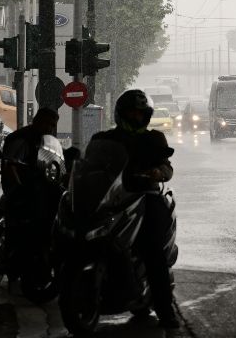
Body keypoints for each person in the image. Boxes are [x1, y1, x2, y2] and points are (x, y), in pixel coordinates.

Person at [89, 89, 179, 328]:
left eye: (141, 114)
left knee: (152, 250)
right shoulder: (104, 138)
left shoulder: (154, 139)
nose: (136, 118)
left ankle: (166, 311)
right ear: (120, 114)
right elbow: (89, 165)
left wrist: (158, 172)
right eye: (131, 113)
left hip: (143, 196)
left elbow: (166, 167)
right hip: (110, 198)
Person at [0, 108, 60, 285]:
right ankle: (10, 259)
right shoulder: (21, 139)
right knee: (18, 220)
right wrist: (19, 186)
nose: (49, 127)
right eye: (46, 123)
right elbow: (11, 165)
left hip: (43, 187)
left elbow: (57, 162)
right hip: (22, 188)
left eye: (52, 125)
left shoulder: (50, 142)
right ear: (36, 120)